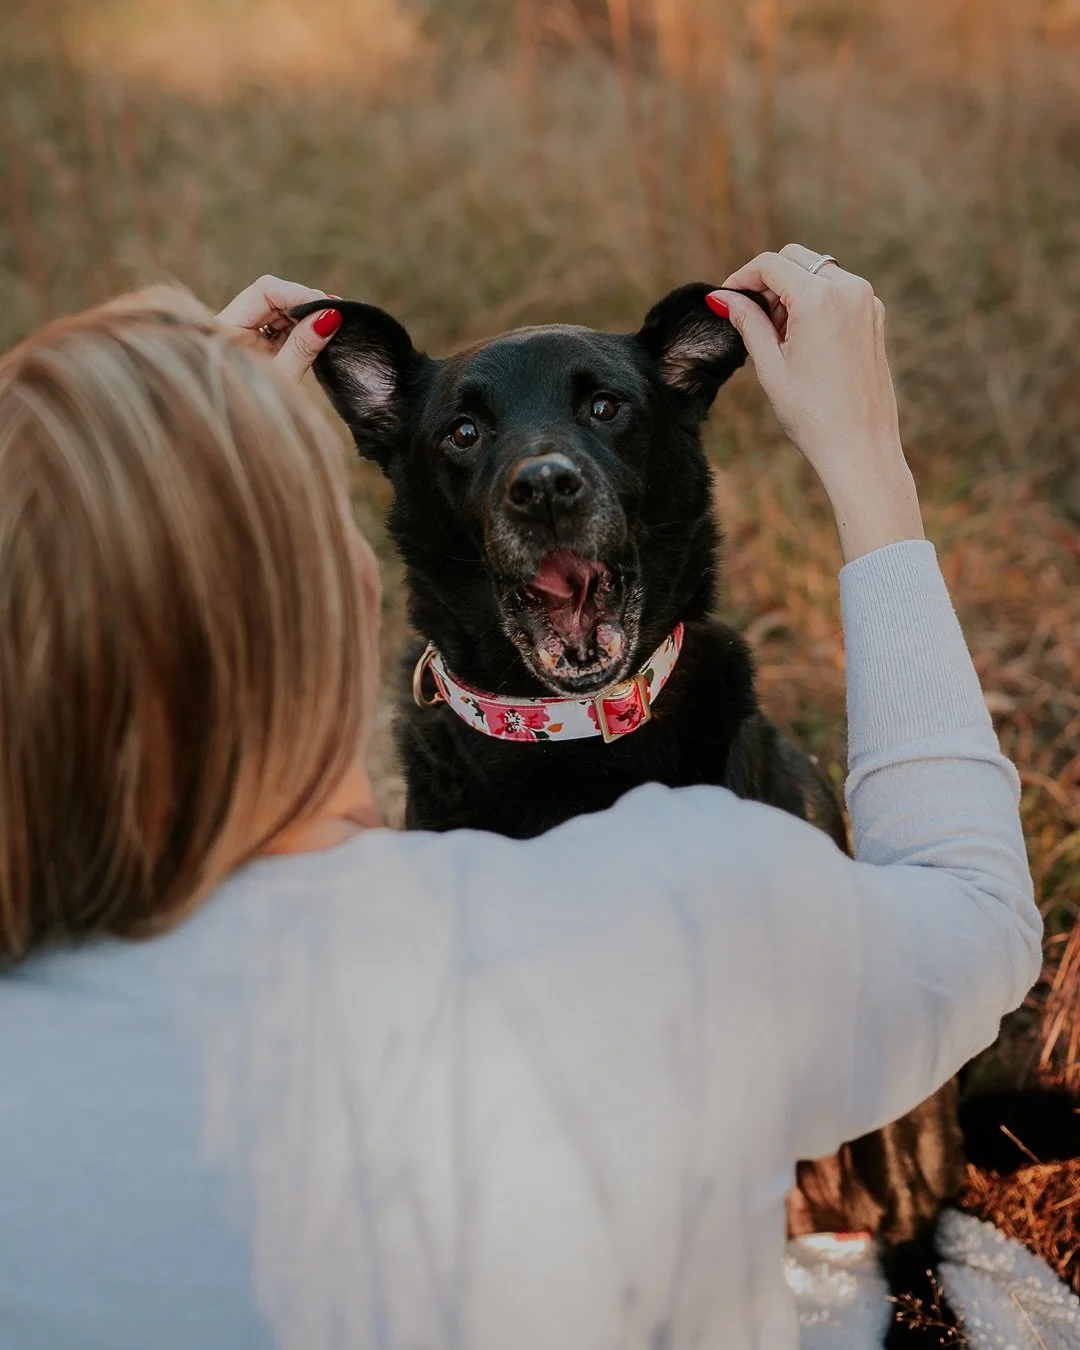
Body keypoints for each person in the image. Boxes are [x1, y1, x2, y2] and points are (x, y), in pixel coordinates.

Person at [0, 248, 1040, 1350]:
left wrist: (178, 477)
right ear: (355, 588)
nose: (542, 470)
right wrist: (866, 458)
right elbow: (974, 909)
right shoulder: (704, 900)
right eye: (467, 438)